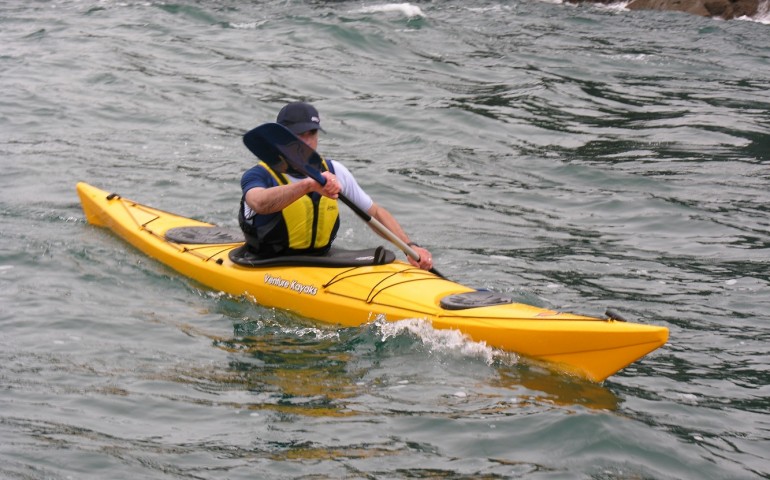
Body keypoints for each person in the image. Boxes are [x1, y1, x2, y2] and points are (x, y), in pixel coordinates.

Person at [239, 101, 434, 270]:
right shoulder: (259, 175)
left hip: (321, 262)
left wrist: (409, 246)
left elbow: (374, 213)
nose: (307, 142)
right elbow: (259, 203)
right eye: (299, 135)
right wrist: (308, 185)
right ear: (281, 139)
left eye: (312, 133)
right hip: (267, 263)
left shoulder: (334, 171)